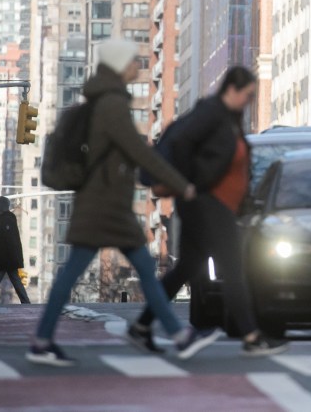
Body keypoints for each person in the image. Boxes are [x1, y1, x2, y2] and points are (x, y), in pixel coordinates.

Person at [28, 39, 218, 366]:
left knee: (137, 267)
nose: (138, 67)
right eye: (133, 62)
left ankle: (44, 340)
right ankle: (178, 336)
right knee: (78, 273)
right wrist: (181, 185)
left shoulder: (105, 101)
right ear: (119, 66)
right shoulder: (112, 105)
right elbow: (140, 152)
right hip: (104, 205)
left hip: (104, 202)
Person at [132, 66, 287, 357]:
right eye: (248, 95)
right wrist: (187, 183)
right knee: (233, 268)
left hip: (213, 204)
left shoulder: (228, 118)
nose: (249, 101)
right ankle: (252, 336)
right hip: (207, 203)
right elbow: (179, 141)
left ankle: (141, 325)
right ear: (232, 89)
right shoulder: (211, 113)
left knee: (187, 268)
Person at [0, 196, 30, 305]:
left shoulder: (6, 220)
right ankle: (26, 302)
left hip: (5, 260)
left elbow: (9, 242)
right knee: (14, 281)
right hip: (6, 260)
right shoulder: (5, 220)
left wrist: (11, 259)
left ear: (1, 208)